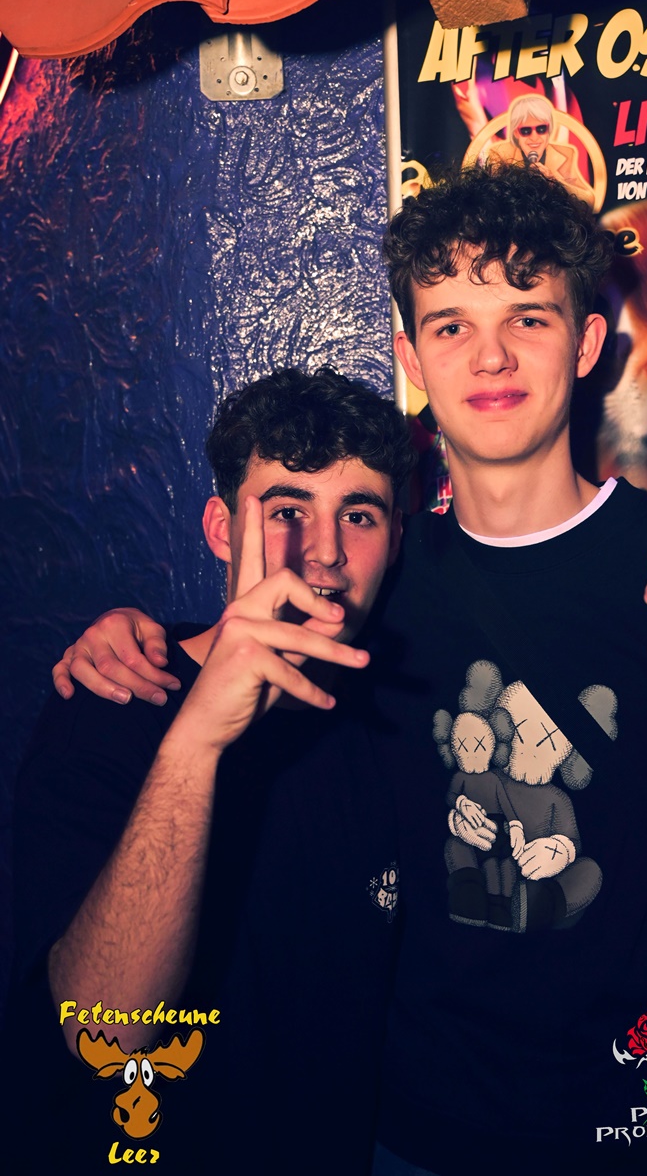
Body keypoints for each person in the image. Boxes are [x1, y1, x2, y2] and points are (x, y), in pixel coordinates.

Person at [51, 168, 647, 1173]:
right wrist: (131, 638)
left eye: (527, 317)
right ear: (410, 357)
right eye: (450, 325)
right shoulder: (376, 585)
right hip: (420, 1138)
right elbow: (244, 647)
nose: (489, 355)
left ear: (585, 345)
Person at [10, 367, 415, 1174]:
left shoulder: (395, 717)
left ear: (395, 540)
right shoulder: (116, 698)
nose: (325, 553)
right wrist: (195, 744)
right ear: (222, 529)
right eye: (288, 511)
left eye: (358, 515)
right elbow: (104, 1031)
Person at [487, 93, 595, 207]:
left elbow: (589, 200)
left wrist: (554, 180)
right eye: (526, 131)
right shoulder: (500, 153)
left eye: (541, 129)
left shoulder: (565, 154)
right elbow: (491, 199)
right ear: (516, 133)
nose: (534, 137)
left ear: (549, 130)